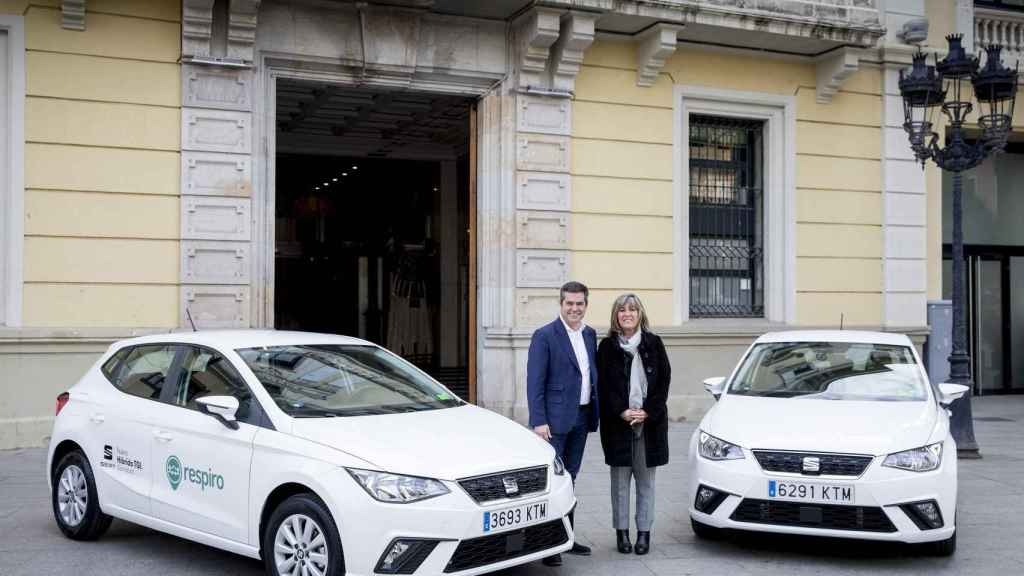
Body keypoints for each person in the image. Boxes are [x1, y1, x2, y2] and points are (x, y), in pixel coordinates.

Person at [527, 280, 599, 567]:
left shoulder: (590, 334)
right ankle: (549, 547)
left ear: (585, 305)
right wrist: (538, 420)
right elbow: (535, 381)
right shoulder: (545, 335)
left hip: (581, 417)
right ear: (561, 304)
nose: (574, 308)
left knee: (571, 479)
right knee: (553, 483)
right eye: (569, 303)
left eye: (579, 303)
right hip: (554, 422)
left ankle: (567, 538)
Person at [596, 293, 670, 556]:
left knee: (646, 482)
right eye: (622, 310)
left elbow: (663, 383)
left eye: (632, 309)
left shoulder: (654, 343)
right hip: (619, 425)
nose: (627, 314)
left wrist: (647, 412)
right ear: (616, 316)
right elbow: (603, 386)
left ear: (640, 314)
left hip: (649, 426)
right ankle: (622, 534)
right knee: (620, 482)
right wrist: (622, 411)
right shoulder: (606, 347)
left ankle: (643, 534)